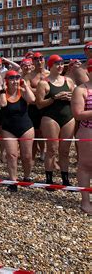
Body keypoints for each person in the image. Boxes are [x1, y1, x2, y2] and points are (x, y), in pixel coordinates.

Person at [36, 55, 75, 187]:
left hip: (68, 117)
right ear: (50, 66)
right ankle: (49, 179)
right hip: (50, 117)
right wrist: (54, 98)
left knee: (65, 151)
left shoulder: (68, 81)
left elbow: (76, 99)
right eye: (57, 64)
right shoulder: (43, 83)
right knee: (52, 149)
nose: (60, 66)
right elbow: (39, 104)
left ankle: (65, 179)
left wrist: (71, 98)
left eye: (62, 64)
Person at [0, 70, 35, 192]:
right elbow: (3, 104)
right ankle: (13, 180)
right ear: (7, 81)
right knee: (12, 155)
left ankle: (27, 176)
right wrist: (3, 90)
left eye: (17, 78)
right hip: (9, 128)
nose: (15, 80)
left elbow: (32, 99)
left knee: (27, 156)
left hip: (25, 126)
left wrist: (26, 86)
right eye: (12, 78)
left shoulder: (22, 91)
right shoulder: (2, 93)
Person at [71, 58, 92, 214]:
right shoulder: (81, 89)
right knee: (85, 165)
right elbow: (78, 115)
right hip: (88, 131)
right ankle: (85, 201)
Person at [26, 52, 50, 161]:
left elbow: (55, 87)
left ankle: (45, 152)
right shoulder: (29, 76)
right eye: (36, 59)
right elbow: (28, 90)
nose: (39, 61)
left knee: (47, 131)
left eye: (41, 58)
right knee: (35, 132)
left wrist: (37, 91)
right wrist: (43, 90)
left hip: (48, 105)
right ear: (33, 61)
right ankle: (34, 154)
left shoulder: (49, 74)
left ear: (44, 60)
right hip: (34, 107)